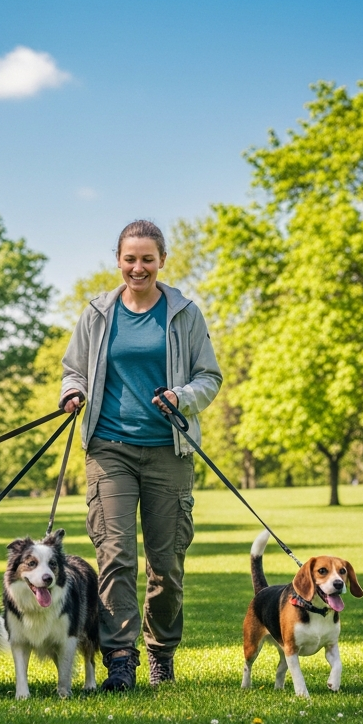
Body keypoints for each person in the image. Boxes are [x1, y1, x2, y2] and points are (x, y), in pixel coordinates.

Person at [60, 220, 222, 690]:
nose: (138, 267)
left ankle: (161, 651)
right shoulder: (96, 314)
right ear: (118, 260)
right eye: (130, 259)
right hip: (109, 448)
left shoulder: (184, 313)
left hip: (168, 449)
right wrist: (73, 392)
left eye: (147, 259)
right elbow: (74, 368)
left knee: (166, 562)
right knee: (115, 557)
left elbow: (208, 377)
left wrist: (181, 396)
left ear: (162, 261)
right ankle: (120, 658)